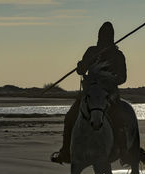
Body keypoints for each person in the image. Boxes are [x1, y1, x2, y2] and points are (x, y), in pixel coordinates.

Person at [51, 21, 127, 164]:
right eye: (102, 35)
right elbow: (81, 71)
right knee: (70, 117)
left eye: (107, 35)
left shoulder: (117, 55)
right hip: (90, 93)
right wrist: (81, 65)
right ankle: (66, 151)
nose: (104, 38)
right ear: (99, 36)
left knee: (119, 118)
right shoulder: (91, 51)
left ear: (111, 36)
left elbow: (123, 77)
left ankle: (123, 151)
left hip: (108, 94)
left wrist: (108, 79)